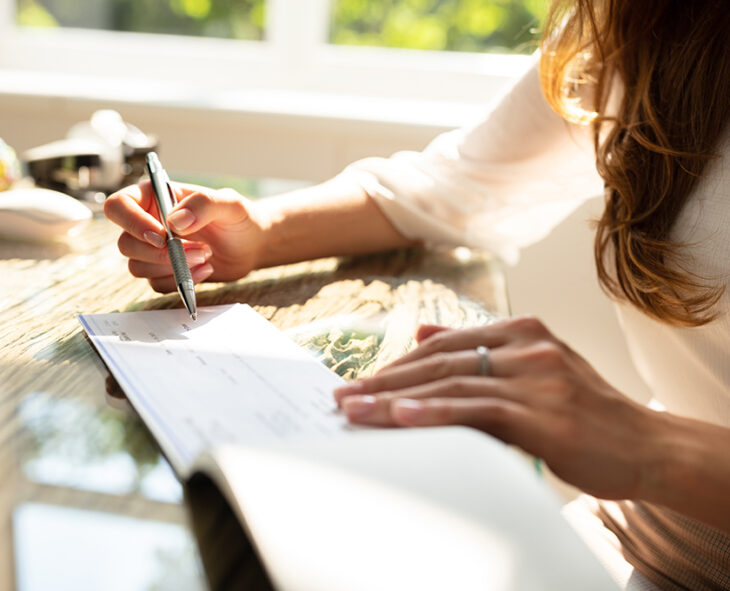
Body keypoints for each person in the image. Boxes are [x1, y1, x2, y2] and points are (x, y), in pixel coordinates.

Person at [105, 0, 730, 588]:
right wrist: (259, 234)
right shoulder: (651, 20)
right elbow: (464, 185)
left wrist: (649, 444)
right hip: (642, 531)